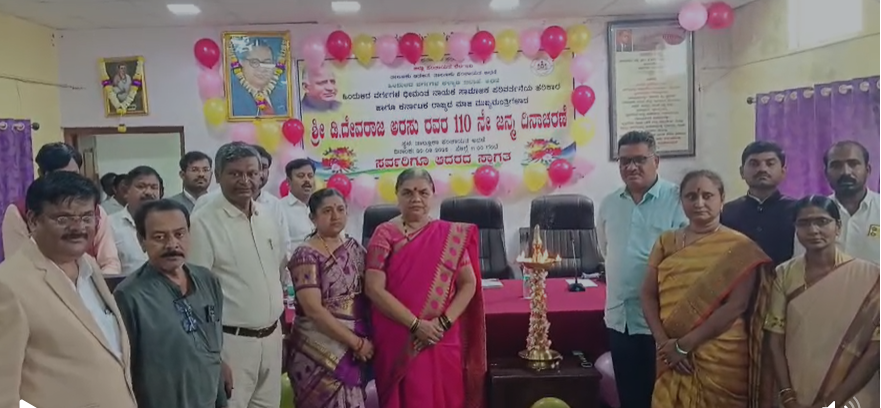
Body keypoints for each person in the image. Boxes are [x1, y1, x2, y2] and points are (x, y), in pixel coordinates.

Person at [0, 171, 135, 408]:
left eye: (86, 217)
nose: (78, 227)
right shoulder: (9, 285)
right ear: (33, 221)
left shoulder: (88, 265)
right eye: (63, 219)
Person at [641, 170, 773, 408]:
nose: (699, 203)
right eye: (691, 196)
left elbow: (736, 306)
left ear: (722, 200)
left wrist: (684, 345)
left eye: (707, 196)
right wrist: (664, 344)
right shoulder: (666, 241)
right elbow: (648, 294)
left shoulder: (741, 248)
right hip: (669, 348)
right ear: (681, 201)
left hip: (721, 352)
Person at [364, 168, 486, 408]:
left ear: (433, 194)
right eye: (408, 193)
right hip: (400, 334)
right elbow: (373, 289)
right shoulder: (385, 234)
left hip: (441, 336)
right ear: (397, 195)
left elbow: (468, 283)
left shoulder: (449, 235)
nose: (416, 199)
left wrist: (442, 324)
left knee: (447, 395)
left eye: (423, 192)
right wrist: (416, 325)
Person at [189, 142, 288, 408]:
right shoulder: (203, 222)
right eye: (235, 174)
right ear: (218, 176)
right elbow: (196, 295)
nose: (245, 181)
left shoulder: (267, 216)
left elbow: (277, 270)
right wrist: (214, 356)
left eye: (252, 173)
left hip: (271, 339)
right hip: (232, 345)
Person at [597, 131, 688, 408]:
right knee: (630, 398)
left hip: (662, 322)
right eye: (625, 161)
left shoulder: (678, 200)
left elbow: (688, 259)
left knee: (663, 398)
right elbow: (606, 251)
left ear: (656, 161)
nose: (631, 167)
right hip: (620, 318)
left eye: (639, 159)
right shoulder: (610, 203)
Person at [113, 199, 232, 408]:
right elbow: (123, 366)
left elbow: (211, 341)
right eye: (159, 237)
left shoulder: (207, 280)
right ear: (141, 240)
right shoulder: (129, 296)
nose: (172, 244)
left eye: (179, 234)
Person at [766, 195, 879, 408]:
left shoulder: (871, 277)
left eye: (822, 221)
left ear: (838, 227)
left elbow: (875, 348)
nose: (813, 230)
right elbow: (775, 339)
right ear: (795, 229)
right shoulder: (784, 274)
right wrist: (787, 395)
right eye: (804, 223)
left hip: (853, 393)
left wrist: (832, 402)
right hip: (796, 387)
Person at [287, 188, 371, 407]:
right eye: (327, 211)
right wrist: (356, 343)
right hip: (316, 350)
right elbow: (313, 311)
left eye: (341, 209)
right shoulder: (305, 254)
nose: (335, 216)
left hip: (354, 349)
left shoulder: (354, 248)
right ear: (312, 217)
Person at [1, 142, 120, 274]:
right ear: (42, 174)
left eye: (73, 175)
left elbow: (110, 262)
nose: (68, 183)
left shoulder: (96, 211)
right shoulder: (19, 212)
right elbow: (17, 266)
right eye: (62, 219)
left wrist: (93, 283)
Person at [795, 141, 879, 264]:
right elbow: (800, 263)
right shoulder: (811, 214)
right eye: (836, 166)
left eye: (853, 164)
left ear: (868, 170)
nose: (846, 172)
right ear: (826, 173)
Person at [722, 141, 797, 266]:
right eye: (754, 164)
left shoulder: (797, 210)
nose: (762, 169)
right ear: (742, 172)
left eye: (770, 164)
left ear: (783, 171)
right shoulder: (727, 212)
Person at [109, 166, 163, 275]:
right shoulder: (110, 224)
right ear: (126, 191)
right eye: (141, 186)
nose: (148, 192)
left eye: (154, 187)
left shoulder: (168, 223)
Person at [281, 158, 317, 249]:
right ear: (289, 181)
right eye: (301, 176)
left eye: (310, 176)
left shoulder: (320, 206)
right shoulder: (279, 208)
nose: (307, 180)